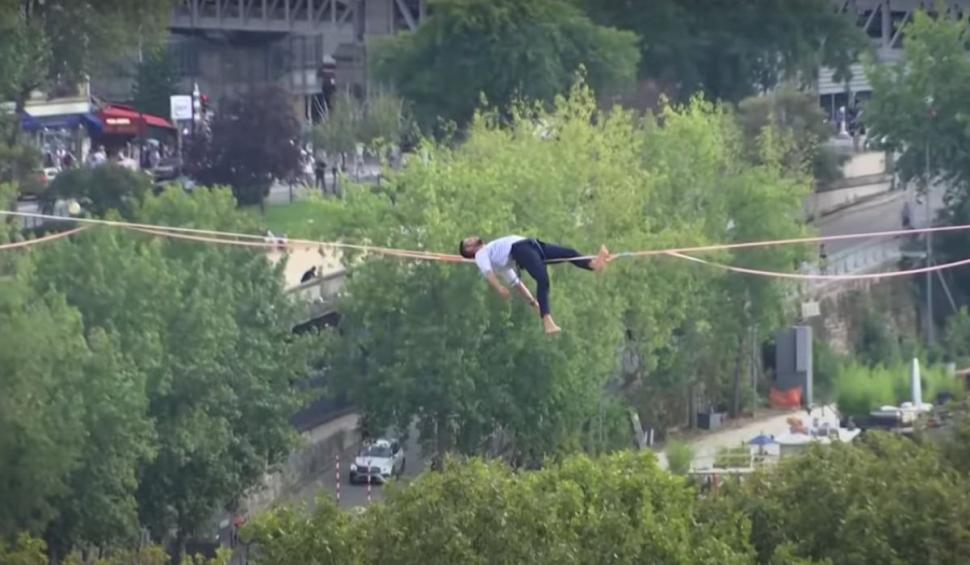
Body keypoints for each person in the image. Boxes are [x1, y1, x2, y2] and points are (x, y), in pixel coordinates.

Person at [459, 235, 611, 334]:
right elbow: (487, 272)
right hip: (521, 249)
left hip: (532, 245)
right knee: (543, 280)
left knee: (569, 253)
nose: (472, 238)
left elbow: (517, 284)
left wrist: (533, 302)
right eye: (468, 242)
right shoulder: (480, 254)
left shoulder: (498, 259)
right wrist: (499, 288)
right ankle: (548, 322)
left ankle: (594, 265)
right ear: (470, 250)